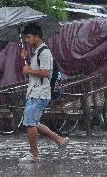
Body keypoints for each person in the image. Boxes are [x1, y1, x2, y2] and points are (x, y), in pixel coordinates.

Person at [19, 23, 69, 163]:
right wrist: (25, 59)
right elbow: (34, 74)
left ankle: (34, 154)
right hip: (34, 92)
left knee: (29, 123)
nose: (27, 40)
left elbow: (45, 72)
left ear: (37, 36)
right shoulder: (36, 52)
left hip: (40, 93)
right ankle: (59, 140)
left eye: (29, 37)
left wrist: (28, 70)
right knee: (33, 122)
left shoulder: (44, 52)